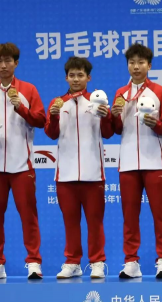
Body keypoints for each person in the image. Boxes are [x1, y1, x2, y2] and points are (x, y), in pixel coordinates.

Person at [0, 42, 46, 280]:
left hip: (21, 166)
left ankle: (34, 262)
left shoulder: (28, 90)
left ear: (16, 63)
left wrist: (21, 108)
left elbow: (41, 120)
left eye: (8, 61)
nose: (3, 65)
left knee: (28, 216)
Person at [45, 56, 114, 279]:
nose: (76, 79)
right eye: (72, 75)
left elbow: (108, 133)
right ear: (66, 78)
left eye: (80, 75)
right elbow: (51, 134)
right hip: (65, 175)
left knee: (95, 222)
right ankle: (72, 262)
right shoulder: (58, 103)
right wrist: (53, 117)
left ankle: (97, 262)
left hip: (93, 174)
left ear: (88, 78)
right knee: (70, 222)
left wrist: (106, 116)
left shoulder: (97, 102)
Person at [111, 43, 162, 278]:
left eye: (141, 63)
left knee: (161, 214)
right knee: (129, 215)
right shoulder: (120, 93)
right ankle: (131, 261)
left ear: (149, 65)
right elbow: (116, 129)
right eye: (132, 63)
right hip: (128, 163)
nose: (136, 67)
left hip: (154, 161)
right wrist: (113, 116)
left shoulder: (159, 91)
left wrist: (155, 124)